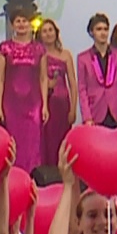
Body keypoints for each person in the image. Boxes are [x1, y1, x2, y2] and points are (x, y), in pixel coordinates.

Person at [0, 8, 48, 171]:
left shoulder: (39, 49)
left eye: (24, 21)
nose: (21, 24)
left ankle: (32, 178)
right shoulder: (5, 48)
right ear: (12, 25)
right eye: (18, 21)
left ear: (30, 24)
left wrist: (45, 104)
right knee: (13, 141)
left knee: (33, 142)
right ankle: (14, 178)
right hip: (11, 104)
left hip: (33, 103)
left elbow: (43, 78)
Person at [76, 13, 117, 126]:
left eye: (106, 29)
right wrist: (87, 117)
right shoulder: (83, 58)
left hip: (116, 112)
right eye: (99, 29)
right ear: (92, 32)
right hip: (95, 113)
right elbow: (82, 89)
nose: (103, 33)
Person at [39, 20, 77, 164]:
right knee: (47, 140)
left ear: (56, 32)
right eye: (45, 31)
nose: (48, 34)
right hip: (46, 103)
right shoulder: (39, 55)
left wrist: (73, 108)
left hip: (62, 103)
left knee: (63, 139)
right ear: (40, 35)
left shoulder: (65, 54)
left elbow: (73, 83)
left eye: (51, 30)